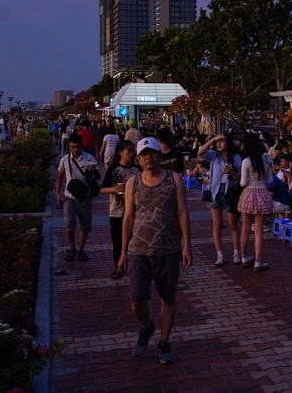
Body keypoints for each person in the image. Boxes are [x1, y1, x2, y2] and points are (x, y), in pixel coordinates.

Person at [117, 137, 192, 365]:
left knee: (167, 298)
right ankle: (147, 327)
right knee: (136, 300)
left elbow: (182, 212)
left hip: (167, 249)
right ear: (138, 159)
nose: (149, 157)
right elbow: (128, 217)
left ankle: (164, 341)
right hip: (138, 249)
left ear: (160, 156)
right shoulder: (133, 183)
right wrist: (122, 252)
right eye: (144, 154)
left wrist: (187, 244)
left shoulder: (174, 179)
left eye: (153, 153)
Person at [196, 133, 243, 266]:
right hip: (215, 191)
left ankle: (236, 253)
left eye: (222, 141)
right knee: (217, 224)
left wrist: (232, 173)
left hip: (231, 192)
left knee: (232, 223)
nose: (219, 143)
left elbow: (241, 177)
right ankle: (220, 255)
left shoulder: (236, 158)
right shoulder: (213, 155)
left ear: (228, 142)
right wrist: (212, 139)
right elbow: (200, 152)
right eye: (218, 141)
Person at [55, 134, 100, 262]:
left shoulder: (89, 158)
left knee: (85, 226)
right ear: (69, 146)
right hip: (69, 197)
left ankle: (81, 250)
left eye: (78, 147)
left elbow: (97, 177)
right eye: (73, 147)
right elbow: (59, 176)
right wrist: (57, 193)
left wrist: (94, 171)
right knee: (69, 224)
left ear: (82, 145)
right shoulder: (65, 159)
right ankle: (72, 247)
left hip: (85, 197)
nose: (75, 150)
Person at [101, 140, 140, 279]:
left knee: (135, 240)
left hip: (135, 212)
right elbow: (102, 188)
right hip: (117, 212)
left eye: (132, 150)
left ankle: (135, 267)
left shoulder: (137, 170)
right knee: (117, 241)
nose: (131, 153)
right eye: (128, 151)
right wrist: (114, 189)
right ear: (120, 152)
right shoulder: (113, 169)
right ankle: (118, 267)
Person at [237, 132, 275, 271]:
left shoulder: (246, 161)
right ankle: (258, 261)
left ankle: (243, 257)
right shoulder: (266, 159)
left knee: (245, 228)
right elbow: (270, 180)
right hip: (263, 193)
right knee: (258, 230)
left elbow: (242, 182)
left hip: (248, 193)